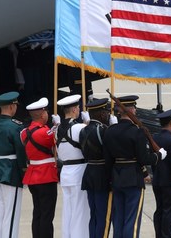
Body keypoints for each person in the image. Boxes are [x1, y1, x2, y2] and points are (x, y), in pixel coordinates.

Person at [102, 95, 167, 238]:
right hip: (133, 179)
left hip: (116, 178)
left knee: (118, 219)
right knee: (132, 219)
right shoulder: (137, 132)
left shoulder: (110, 131)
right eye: (135, 109)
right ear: (131, 110)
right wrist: (159, 156)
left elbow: (108, 160)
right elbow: (144, 158)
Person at [20, 97, 59, 238]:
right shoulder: (45, 132)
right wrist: (57, 125)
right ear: (42, 114)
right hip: (46, 177)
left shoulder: (24, 133)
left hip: (32, 176)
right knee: (47, 215)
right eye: (46, 112)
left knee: (37, 212)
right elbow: (55, 139)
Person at [0, 91, 27, 238]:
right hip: (11, 171)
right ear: (12, 107)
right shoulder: (15, 126)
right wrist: (24, 170)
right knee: (12, 214)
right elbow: (20, 151)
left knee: (1, 212)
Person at [79, 98, 116, 238]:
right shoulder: (104, 130)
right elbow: (110, 154)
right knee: (104, 216)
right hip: (102, 176)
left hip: (89, 173)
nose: (107, 115)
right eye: (106, 112)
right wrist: (113, 128)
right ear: (101, 114)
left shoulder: (83, 130)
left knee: (93, 215)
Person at [56, 94, 90, 238]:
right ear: (75, 110)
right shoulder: (80, 127)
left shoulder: (57, 128)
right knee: (80, 211)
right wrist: (88, 122)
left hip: (65, 171)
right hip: (79, 171)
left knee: (68, 210)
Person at [152, 109, 171, 238]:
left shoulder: (155, 137)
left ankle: (159, 234)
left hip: (157, 180)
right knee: (169, 212)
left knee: (159, 209)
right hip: (169, 182)